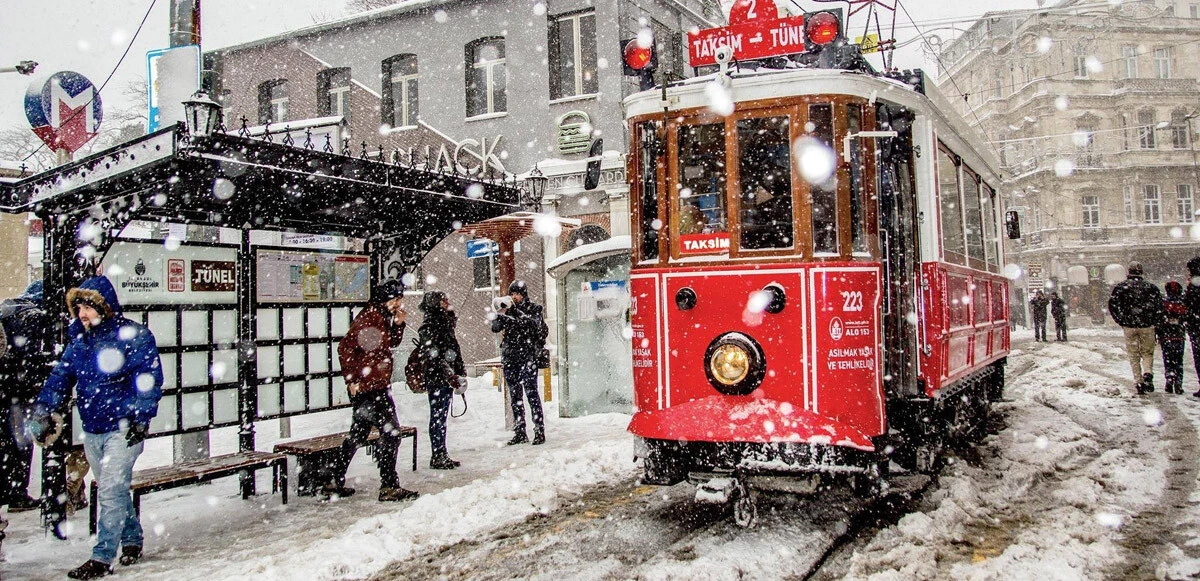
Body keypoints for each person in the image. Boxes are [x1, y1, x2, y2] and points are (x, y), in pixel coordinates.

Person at [28, 276, 163, 579]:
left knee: (111, 490)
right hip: (93, 429)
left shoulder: (134, 336)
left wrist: (141, 418)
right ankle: (132, 539)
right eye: (78, 309)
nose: (82, 315)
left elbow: (148, 378)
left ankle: (102, 557)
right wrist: (44, 411)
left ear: (103, 307)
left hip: (123, 428)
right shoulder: (80, 342)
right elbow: (59, 379)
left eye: (87, 308)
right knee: (114, 490)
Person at [330, 279, 419, 502]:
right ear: (384, 299)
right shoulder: (370, 317)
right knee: (392, 433)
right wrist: (352, 380)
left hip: (374, 385)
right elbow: (345, 347)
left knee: (358, 434)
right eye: (395, 299)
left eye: (400, 299)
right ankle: (389, 486)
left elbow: (390, 344)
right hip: (371, 388)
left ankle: (333, 480)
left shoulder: (380, 316)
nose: (398, 303)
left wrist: (398, 324)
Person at [0, 280, 52, 513]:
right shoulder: (35, 315)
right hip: (20, 390)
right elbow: (33, 358)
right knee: (21, 442)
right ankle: (17, 494)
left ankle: (8, 491)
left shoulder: (6, 308)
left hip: (4, 387)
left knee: (6, 442)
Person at [491, 280, 548, 446]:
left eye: (517, 294)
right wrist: (501, 313)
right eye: (512, 294)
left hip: (527, 356)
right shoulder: (506, 310)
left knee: (531, 393)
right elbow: (495, 327)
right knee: (515, 395)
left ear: (524, 295)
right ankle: (520, 430)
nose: (515, 297)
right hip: (511, 357)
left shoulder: (533, 309)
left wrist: (516, 313)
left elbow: (534, 327)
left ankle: (539, 429)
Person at [417, 291, 466, 470]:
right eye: (443, 300)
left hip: (443, 376)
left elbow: (451, 349)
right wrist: (450, 373)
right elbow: (434, 355)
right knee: (438, 416)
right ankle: (438, 454)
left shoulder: (443, 323)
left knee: (441, 416)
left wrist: (456, 371)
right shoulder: (431, 325)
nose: (447, 302)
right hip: (438, 376)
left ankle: (441, 452)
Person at [1108, 262, 1165, 395]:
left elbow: (1113, 305)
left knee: (1133, 354)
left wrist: (1121, 320)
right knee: (1147, 352)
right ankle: (1148, 372)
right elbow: (1159, 306)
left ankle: (1139, 381)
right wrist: (1154, 321)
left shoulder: (1121, 287)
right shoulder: (1151, 287)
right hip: (1147, 325)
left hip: (1129, 326)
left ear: (1129, 272)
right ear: (1141, 272)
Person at [1157, 281, 1188, 395]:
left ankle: (1169, 380)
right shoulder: (1183, 302)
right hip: (1179, 336)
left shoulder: (1164, 302)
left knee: (1168, 359)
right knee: (1179, 360)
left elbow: (1159, 318)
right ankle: (1178, 383)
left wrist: (1159, 332)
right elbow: (1186, 317)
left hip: (1166, 335)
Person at [1186, 257, 1200, 398]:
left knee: (1198, 356)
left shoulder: (1194, 284)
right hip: (1195, 324)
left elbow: (1189, 304)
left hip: (1196, 326)